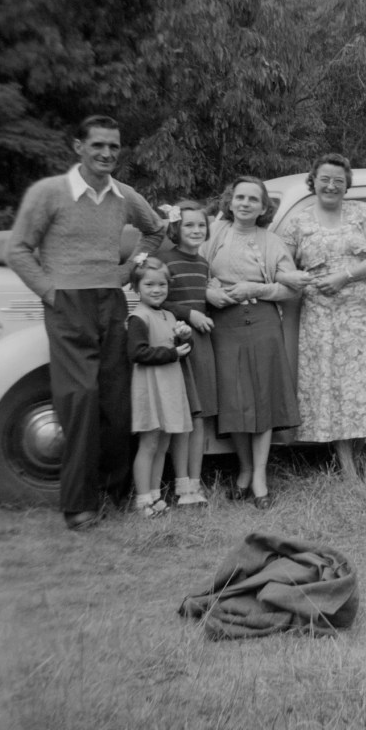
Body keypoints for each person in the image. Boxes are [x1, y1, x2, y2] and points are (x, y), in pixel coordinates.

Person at [7, 115, 167, 530]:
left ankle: (113, 493)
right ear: (79, 146)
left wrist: (129, 268)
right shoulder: (49, 193)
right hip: (67, 305)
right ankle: (79, 505)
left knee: (115, 401)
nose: (106, 154)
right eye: (98, 145)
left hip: (111, 302)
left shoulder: (124, 196)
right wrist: (50, 293)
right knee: (79, 400)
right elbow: (19, 250)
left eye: (114, 146)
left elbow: (155, 231)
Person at [280, 153, 366, 479]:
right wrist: (294, 277)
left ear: (347, 185)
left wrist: (344, 275)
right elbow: (282, 265)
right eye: (325, 179)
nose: (331, 185)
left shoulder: (361, 212)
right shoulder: (299, 221)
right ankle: (348, 469)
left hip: (362, 315)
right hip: (322, 319)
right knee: (333, 389)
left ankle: (354, 455)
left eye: (338, 181)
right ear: (313, 181)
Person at [202, 176, 300, 509]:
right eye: (239, 197)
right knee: (236, 400)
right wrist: (209, 294)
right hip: (223, 325)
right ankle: (243, 470)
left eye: (253, 200)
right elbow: (193, 274)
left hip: (263, 323)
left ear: (262, 208)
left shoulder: (272, 242)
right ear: (229, 202)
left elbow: (291, 289)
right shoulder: (214, 235)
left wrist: (255, 289)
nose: (245, 204)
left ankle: (259, 477)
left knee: (262, 400)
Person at [158, 201, 217, 506]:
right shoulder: (165, 260)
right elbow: (154, 299)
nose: (196, 230)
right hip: (177, 342)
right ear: (176, 228)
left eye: (201, 225)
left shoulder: (204, 264)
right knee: (182, 417)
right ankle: (180, 484)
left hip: (202, 346)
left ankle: (196, 483)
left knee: (201, 416)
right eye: (189, 225)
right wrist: (189, 313)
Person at [127, 256, 194, 517]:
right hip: (150, 387)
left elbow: (180, 350)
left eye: (162, 285)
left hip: (169, 386)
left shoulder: (168, 314)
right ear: (136, 288)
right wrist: (172, 353)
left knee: (163, 444)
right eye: (149, 285)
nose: (156, 290)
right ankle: (142, 499)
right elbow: (138, 352)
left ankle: (155, 496)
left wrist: (184, 338)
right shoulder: (138, 317)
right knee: (149, 444)